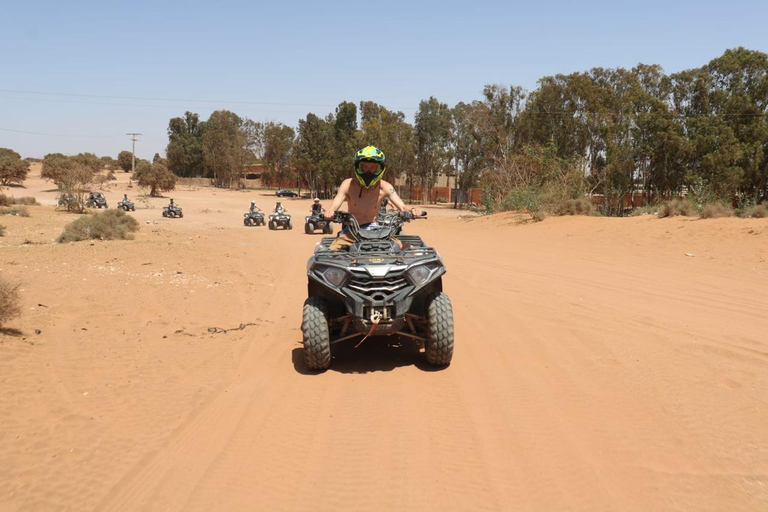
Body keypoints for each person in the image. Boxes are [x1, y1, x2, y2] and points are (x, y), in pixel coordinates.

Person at [325, 145, 421, 250]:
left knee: (409, 250)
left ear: (380, 169)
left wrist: (412, 210)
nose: (369, 171)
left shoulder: (385, 187)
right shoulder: (348, 184)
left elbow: (402, 206)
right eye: (365, 167)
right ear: (358, 167)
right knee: (332, 253)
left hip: (377, 232)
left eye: (373, 167)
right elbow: (335, 205)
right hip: (352, 232)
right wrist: (330, 211)